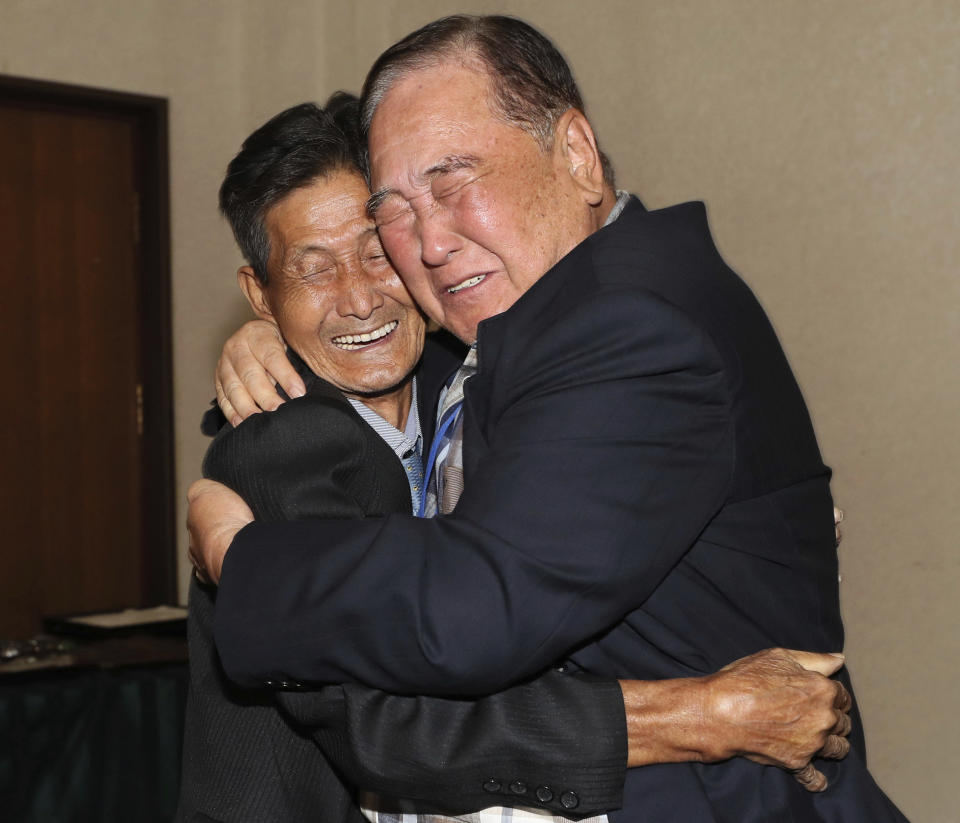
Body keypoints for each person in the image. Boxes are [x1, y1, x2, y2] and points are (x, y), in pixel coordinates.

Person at [190, 15, 907, 821]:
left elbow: (475, 604)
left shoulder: (621, 326)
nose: (425, 243)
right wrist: (696, 715)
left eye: (454, 180)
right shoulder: (504, 338)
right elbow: (390, 719)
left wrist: (238, 557)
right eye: (396, 208)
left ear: (576, 154)